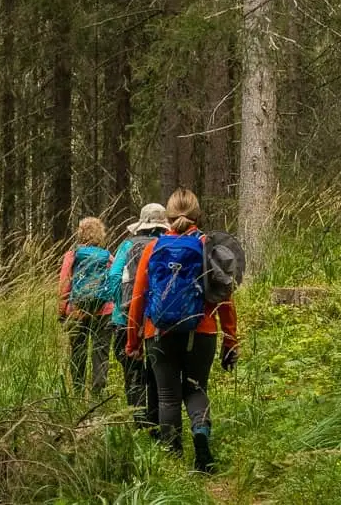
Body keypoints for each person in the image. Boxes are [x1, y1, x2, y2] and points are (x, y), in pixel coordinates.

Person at [126, 189, 239, 473]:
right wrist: (230, 340)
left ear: (168, 216)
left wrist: (133, 341)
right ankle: (201, 438)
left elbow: (138, 297)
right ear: (197, 215)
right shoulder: (208, 246)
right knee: (196, 389)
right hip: (201, 330)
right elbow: (224, 297)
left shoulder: (154, 248)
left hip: (158, 331)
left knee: (167, 396)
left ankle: (172, 458)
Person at [108, 203, 168, 425]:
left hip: (125, 318)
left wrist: (122, 303)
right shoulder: (165, 244)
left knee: (132, 370)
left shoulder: (127, 245)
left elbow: (114, 277)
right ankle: (156, 421)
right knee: (156, 371)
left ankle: (139, 420)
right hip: (157, 320)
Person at [57, 217, 114, 397]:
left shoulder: (72, 255)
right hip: (104, 311)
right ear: (101, 234)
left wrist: (62, 311)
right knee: (101, 353)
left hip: (77, 311)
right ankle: (98, 396)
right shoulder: (108, 257)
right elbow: (113, 283)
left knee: (78, 352)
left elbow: (64, 284)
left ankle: (78, 392)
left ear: (80, 233)